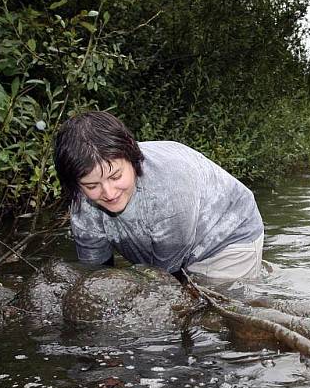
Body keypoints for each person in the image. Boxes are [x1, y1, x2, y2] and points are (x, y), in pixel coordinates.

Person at [53, 110, 264, 281]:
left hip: (226, 239)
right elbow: (94, 274)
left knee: (212, 317)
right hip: (166, 245)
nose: (108, 193)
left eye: (116, 176)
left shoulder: (170, 186)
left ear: (133, 159)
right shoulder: (81, 200)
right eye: (92, 185)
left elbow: (164, 280)